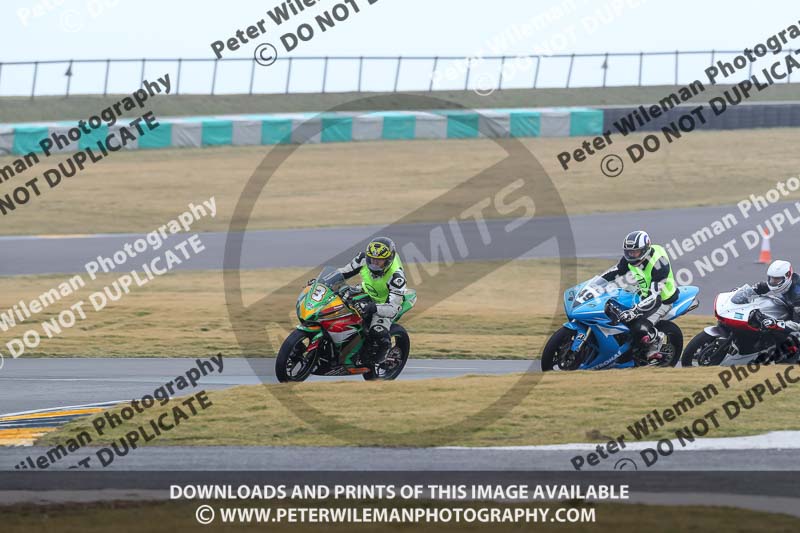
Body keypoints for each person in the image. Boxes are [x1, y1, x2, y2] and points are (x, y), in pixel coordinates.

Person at [600, 230, 678, 364]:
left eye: (635, 252)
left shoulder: (659, 264)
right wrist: (597, 282)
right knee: (613, 308)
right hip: (643, 293)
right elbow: (617, 270)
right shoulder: (631, 257)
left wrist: (634, 312)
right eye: (629, 252)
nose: (631, 255)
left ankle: (654, 344)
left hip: (663, 299)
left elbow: (655, 297)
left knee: (638, 327)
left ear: (645, 249)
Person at [336, 237, 408, 365]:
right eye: (372, 259)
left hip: (385, 303)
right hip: (366, 291)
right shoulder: (363, 258)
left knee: (377, 331)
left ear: (388, 260)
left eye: (379, 261)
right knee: (338, 303)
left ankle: (382, 353)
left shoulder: (396, 277)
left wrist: (373, 308)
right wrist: (323, 281)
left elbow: (393, 308)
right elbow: (343, 272)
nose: (374, 263)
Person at [751, 259, 800, 337]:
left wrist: (776, 324)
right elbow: (759, 287)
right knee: (771, 302)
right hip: (791, 305)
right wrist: (740, 292)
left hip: (797, 313)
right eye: (772, 278)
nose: (773, 282)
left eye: (777, 279)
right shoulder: (781, 282)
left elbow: (798, 324)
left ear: (787, 276)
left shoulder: (797, 294)